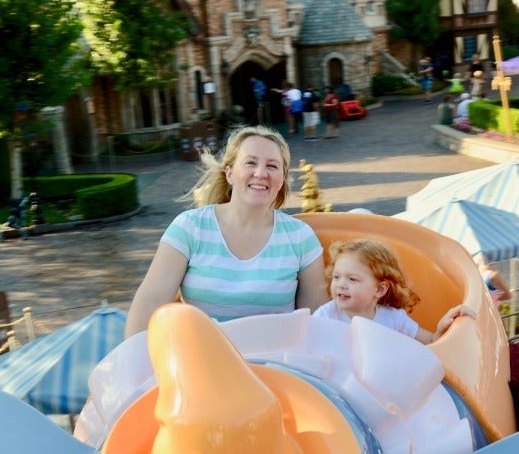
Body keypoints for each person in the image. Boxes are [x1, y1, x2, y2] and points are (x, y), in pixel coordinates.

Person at [125, 125, 327, 338]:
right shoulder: (189, 227)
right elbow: (150, 301)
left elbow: (317, 321)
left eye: (272, 166)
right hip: (201, 356)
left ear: (282, 180)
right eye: (250, 163)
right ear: (229, 173)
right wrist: (134, 356)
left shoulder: (301, 237)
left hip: (277, 357)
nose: (261, 173)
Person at [314, 239, 474, 344]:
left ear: (380, 289)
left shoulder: (393, 319)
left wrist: (443, 327)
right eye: (336, 277)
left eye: (352, 279)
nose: (341, 284)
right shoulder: (326, 316)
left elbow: (432, 343)